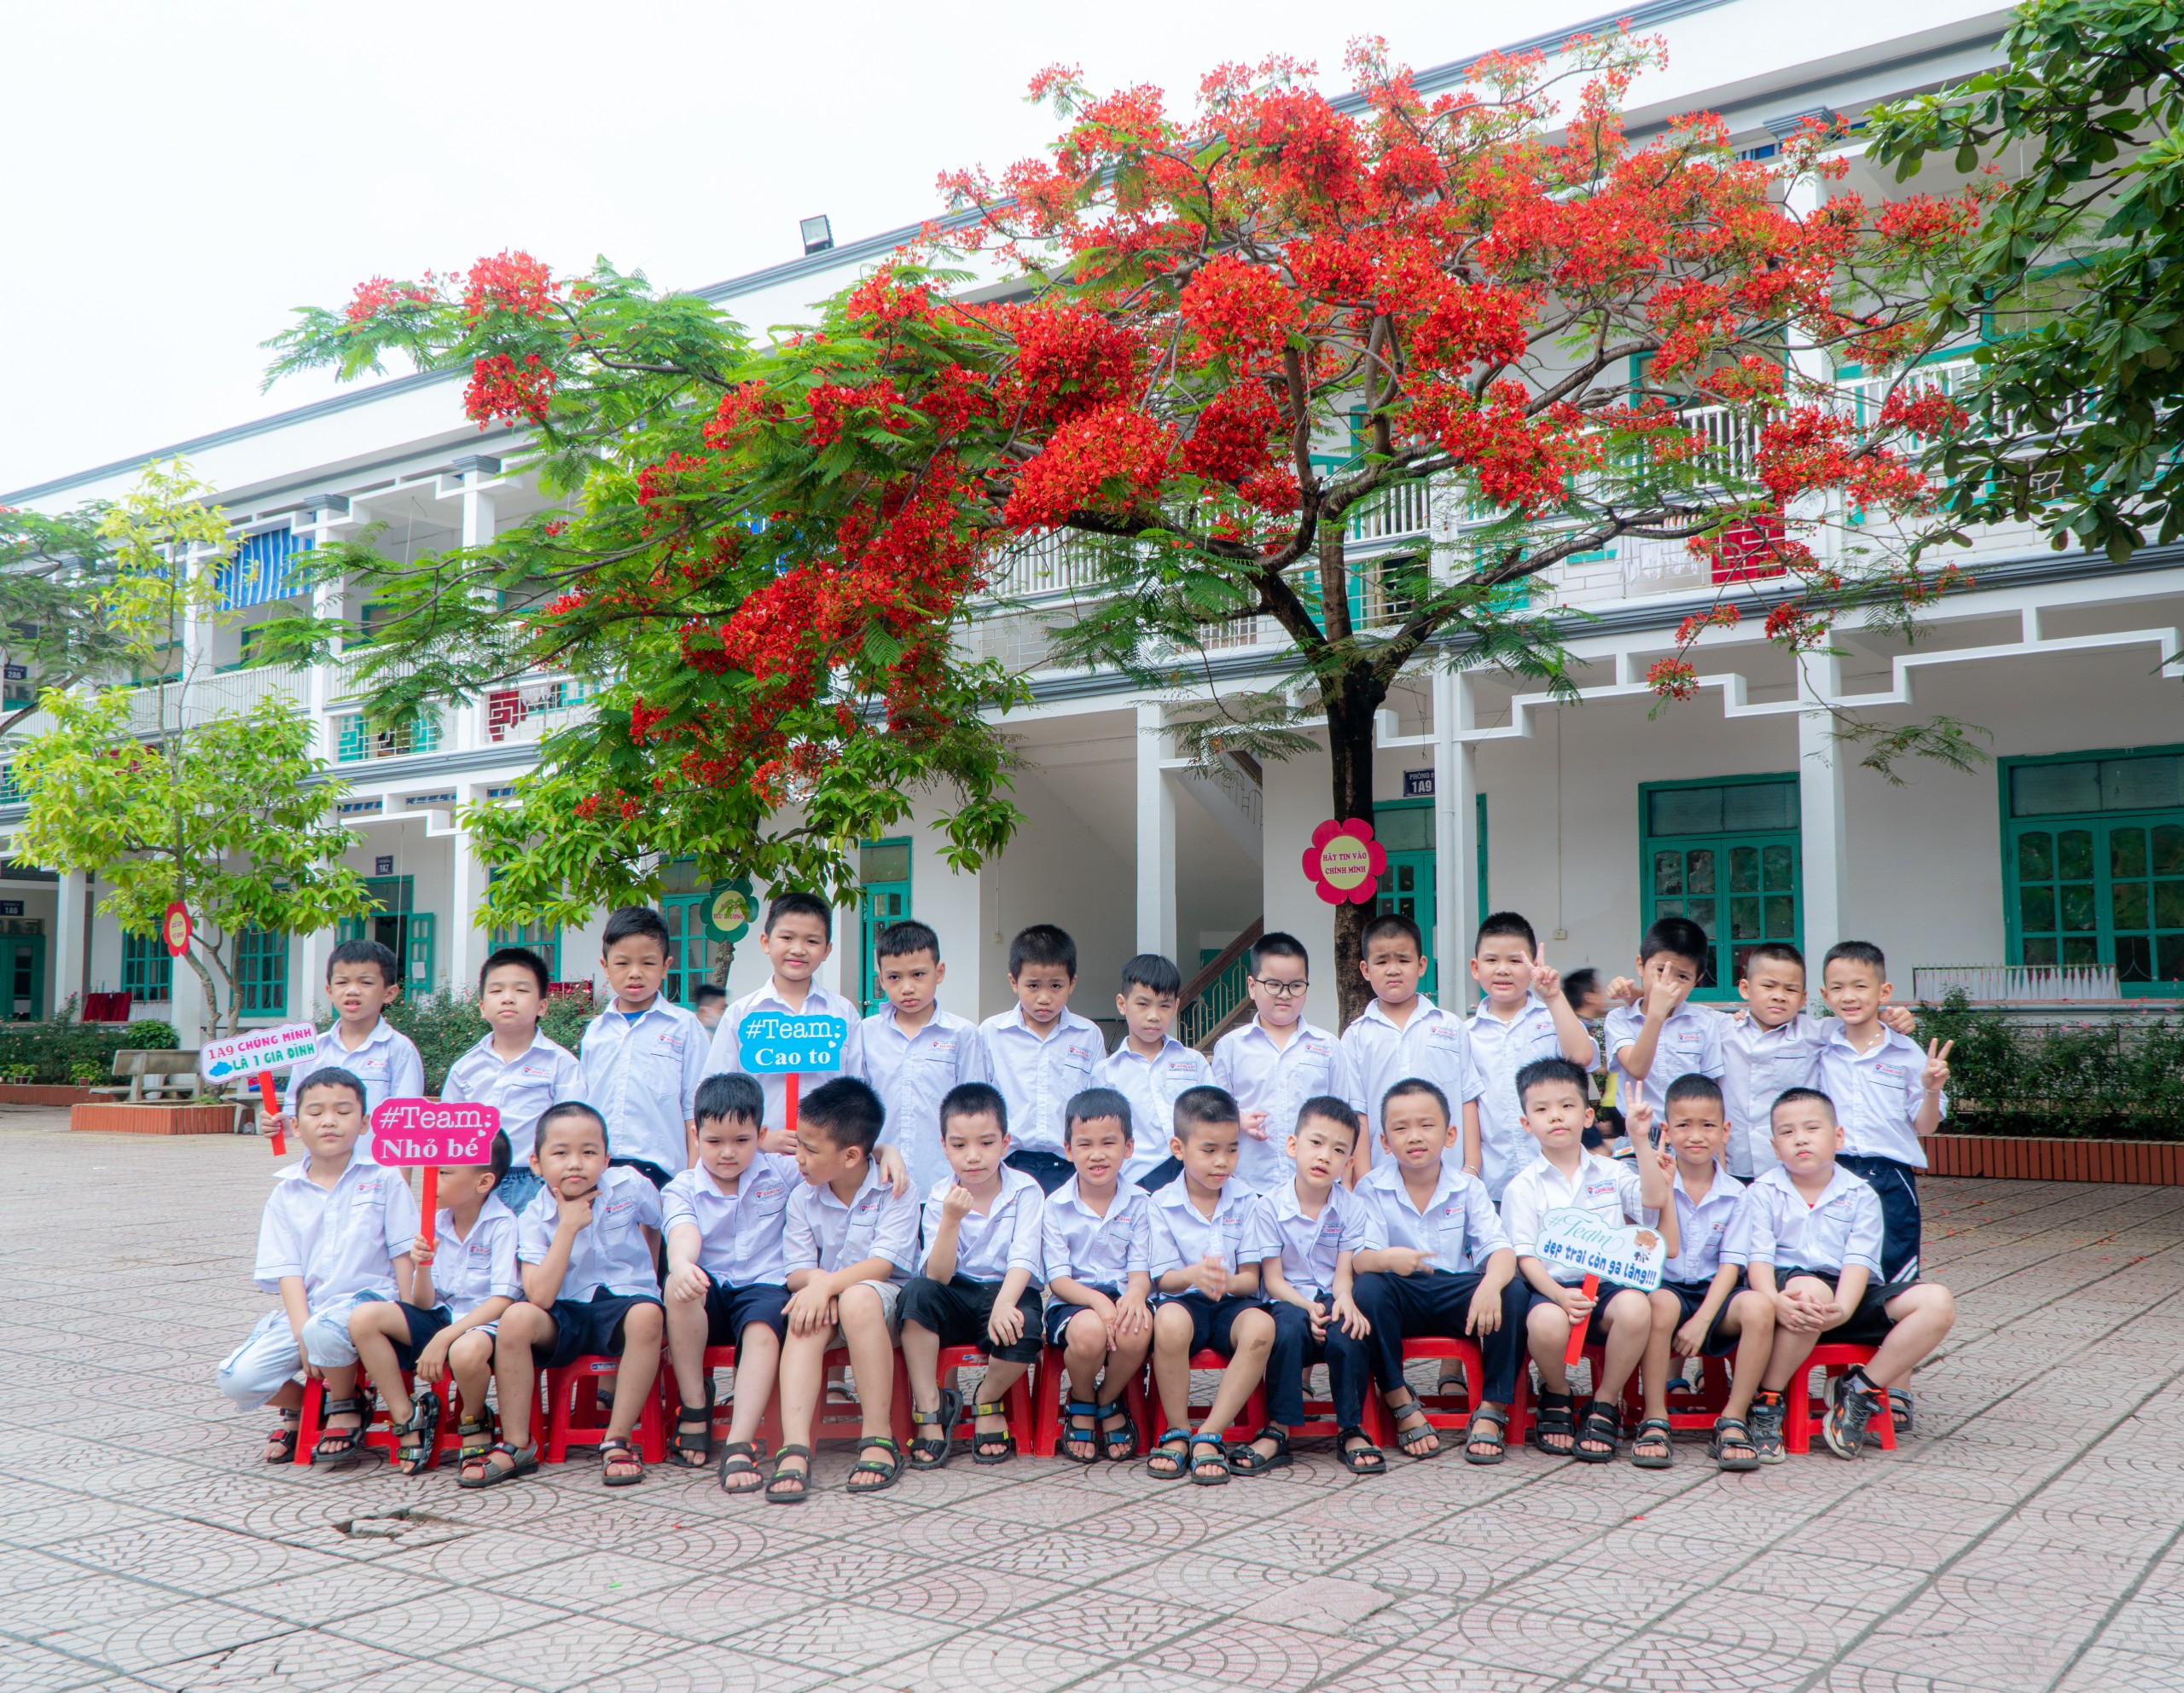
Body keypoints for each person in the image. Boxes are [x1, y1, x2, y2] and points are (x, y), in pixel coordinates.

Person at [1728, 1087, 1957, 1461]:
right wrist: (1771, 1300)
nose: (1800, 1139)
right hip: (1789, 1294)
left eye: (1812, 1128)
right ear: (1774, 1147)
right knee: (1811, 1291)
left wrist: (1844, 1310)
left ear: (1838, 1137)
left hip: (1846, 1297)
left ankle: (1860, 1390)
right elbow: (1759, 1259)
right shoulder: (1762, 1192)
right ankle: (1767, 1399)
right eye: (1787, 1132)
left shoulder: (1861, 1194)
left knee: (1937, 1302)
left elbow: (1857, 1263)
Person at [218, 1067, 421, 1464]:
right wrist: (301, 1332)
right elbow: (288, 1270)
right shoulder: (285, 1193)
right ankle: (305, 1407)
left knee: (322, 1330)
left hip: (368, 1305)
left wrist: (410, 1316)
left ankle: (345, 1403)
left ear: (364, 1123)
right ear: (295, 1125)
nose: (329, 1121)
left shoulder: (385, 1179)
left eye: (343, 1112)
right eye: (315, 1112)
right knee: (238, 1379)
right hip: (310, 1310)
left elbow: (403, 1253)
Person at [462, 1102, 664, 1489]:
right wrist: (568, 1227)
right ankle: (518, 1444)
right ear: (536, 1164)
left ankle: (617, 1439)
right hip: (565, 1312)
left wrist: (650, 1280)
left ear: (606, 1159)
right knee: (517, 1318)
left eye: (588, 1152)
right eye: (560, 1153)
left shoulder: (631, 1185)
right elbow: (539, 1295)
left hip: (624, 1305)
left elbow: (657, 1223)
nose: (575, 1164)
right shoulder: (532, 1216)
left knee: (648, 1314)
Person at [1351, 1077, 1529, 1466]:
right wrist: (1388, 1259)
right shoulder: (1371, 1187)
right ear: (1384, 1142)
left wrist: (1490, 1285)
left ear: (1450, 1135)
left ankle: (1492, 1407)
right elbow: (1360, 1259)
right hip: (1403, 1294)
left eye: (1426, 1125)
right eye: (1401, 1128)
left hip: (1456, 1297)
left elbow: (1501, 1250)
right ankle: (1399, 1399)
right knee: (1367, 1289)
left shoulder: (1467, 1187)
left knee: (1513, 1292)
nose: (1415, 1136)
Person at [1500, 1056, 1670, 1461]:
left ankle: (1605, 1402)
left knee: (1636, 1308)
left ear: (1588, 1115)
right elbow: (1525, 1257)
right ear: (1526, 1123)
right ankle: (1557, 1392)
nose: (1556, 1116)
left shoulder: (1611, 1172)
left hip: (1608, 1288)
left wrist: (1640, 1141)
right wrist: (1559, 1295)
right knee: (1544, 1322)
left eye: (1567, 1105)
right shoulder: (1522, 1187)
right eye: (1542, 1109)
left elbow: (1653, 1200)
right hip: (1552, 1288)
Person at [1816, 939, 1949, 1433]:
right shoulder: (1820, 1044)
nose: (1849, 996)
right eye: (1837, 988)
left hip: (1890, 1179)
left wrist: (1932, 1089)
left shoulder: (1908, 1051)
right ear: (1824, 995)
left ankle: (1895, 1388)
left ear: (1883, 991)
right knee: (1835, 1273)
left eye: (1860, 986)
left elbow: (1925, 1126)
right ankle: (1837, 1376)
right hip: (1832, 1175)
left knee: (1896, 1279)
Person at [769, 1076, 919, 1502]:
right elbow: (797, 1271)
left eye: (810, 1150)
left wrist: (829, 1287)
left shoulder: (895, 1189)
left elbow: (882, 1265)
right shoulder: (803, 1197)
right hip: (828, 1296)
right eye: (799, 1145)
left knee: (858, 1297)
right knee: (805, 1315)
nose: (799, 1158)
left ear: (851, 1155)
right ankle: (795, 1447)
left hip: (882, 1304)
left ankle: (878, 1436)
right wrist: (819, 1287)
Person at [346, 1128, 520, 1475]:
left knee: (465, 1351)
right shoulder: (435, 1221)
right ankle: (407, 1415)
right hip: (442, 1315)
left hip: (484, 1323)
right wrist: (422, 1266)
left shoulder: (503, 1224)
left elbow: (503, 1299)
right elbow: (423, 1303)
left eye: (443, 1172)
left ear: (484, 1182)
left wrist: (444, 1337)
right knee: (364, 1318)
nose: (429, 1180)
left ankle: (474, 1416)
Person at [660, 1072, 796, 1492]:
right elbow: (683, 1233)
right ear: (695, 1135)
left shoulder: (783, 1172)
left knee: (762, 1327)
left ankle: (740, 1440)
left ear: (762, 1135)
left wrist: (884, 1151)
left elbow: (838, 1156)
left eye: (742, 1140)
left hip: (764, 1285)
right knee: (678, 1287)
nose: (728, 1152)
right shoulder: (682, 1188)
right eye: (714, 1141)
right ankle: (695, 1407)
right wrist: (682, 1265)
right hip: (710, 1288)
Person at [1632, 1075, 1775, 1473]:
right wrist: (1663, 1190)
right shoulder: (1654, 1184)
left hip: (1716, 1295)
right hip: (1666, 1288)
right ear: (1666, 1131)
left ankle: (1733, 1417)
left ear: (1725, 1131)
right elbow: (1652, 1250)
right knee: (1660, 1303)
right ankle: (1655, 1416)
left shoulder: (1738, 1194)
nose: (1696, 1136)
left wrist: (1702, 1321)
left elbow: (1732, 1265)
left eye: (1708, 1125)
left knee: (1760, 1307)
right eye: (1683, 1125)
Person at [900, 1081, 1046, 1468]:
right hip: (957, 1292)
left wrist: (1004, 1304)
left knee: (1026, 1325)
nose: (973, 1156)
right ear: (944, 1146)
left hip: (1008, 1289)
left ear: (1005, 1143)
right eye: (959, 1145)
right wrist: (951, 1219)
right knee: (915, 1296)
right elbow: (938, 1276)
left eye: (986, 1143)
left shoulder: (1026, 1191)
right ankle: (931, 1406)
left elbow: (1024, 1257)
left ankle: (987, 1397)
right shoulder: (939, 1196)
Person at [1237, 1097, 1378, 1476]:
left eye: (1338, 1150)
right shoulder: (1269, 1207)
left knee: (1350, 1331)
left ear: (1349, 1162)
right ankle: (1278, 1430)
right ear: (1292, 1145)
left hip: (1332, 1295)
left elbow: (1344, 1275)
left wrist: (1343, 1302)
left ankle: (1351, 1428)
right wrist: (1307, 1307)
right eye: (1316, 1143)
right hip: (1288, 1297)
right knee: (1283, 1331)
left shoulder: (1352, 1208)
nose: (1324, 1156)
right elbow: (1272, 1281)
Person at [1143, 1085, 1274, 1486]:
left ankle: (1210, 1434)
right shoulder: (1160, 1203)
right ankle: (1179, 1430)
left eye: (1232, 1150)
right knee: (1168, 1321)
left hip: (1232, 1303)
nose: (1222, 1162)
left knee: (1262, 1327)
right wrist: (1194, 1276)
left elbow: (1251, 1279)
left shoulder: (1247, 1200)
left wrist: (1226, 1282)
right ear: (1178, 1148)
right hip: (1184, 1302)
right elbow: (1163, 1279)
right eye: (1209, 1150)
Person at [1042, 1087, 1153, 1463]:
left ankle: (1107, 1397)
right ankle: (1082, 1397)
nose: (1097, 1154)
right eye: (1085, 1144)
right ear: (1068, 1149)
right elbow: (1058, 1280)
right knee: (1089, 1331)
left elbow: (1140, 1271)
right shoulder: (1056, 1205)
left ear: (1128, 1147)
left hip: (1124, 1293)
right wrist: (1098, 1303)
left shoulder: (1141, 1203)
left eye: (1109, 1143)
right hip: (1074, 1298)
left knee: (1137, 1326)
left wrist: (1135, 1295)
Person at [709, 892, 868, 1144]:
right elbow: (716, 1095)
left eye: (812, 941)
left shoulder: (843, 1013)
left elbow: (856, 1089)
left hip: (826, 1156)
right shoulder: (741, 1015)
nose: (798, 949)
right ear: (766, 942)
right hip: (757, 1157)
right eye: (787, 938)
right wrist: (760, 1139)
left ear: (827, 950)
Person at [1465, 912, 1600, 1201]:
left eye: (1515, 961)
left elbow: (1582, 1058)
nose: (1503, 970)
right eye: (1492, 960)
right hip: (1495, 1182)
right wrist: (1472, 1168)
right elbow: (1469, 1105)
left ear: (1534, 965)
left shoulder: (1552, 1018)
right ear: (1476, 968)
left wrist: (1553, 997)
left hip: (1558, 1178)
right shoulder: (1467, 1035)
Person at [439, 946, 582, 1214]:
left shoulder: (561, 1064)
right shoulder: (465, 1068)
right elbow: (448, 1130)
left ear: (542, 1006)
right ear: (482, 1007)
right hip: (474, 1179)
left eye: (521, 990)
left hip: (534, 1180)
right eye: (496, 991)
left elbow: (572, 1129)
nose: (508, 999)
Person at [1341, 912, 1484, 1178]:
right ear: (1365, 970)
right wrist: (1363, 1178)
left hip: (1451, 1173)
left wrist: (1472, 1166)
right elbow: (1357, 1112)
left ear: (1421, 965)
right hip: (1381, 1177)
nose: (1393, 969)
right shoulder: (1356, 1036)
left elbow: (1468, 1097)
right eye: (1381, 961)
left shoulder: (1451, 1027)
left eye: (1403, 960)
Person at [1208, 931, 1353, 1193]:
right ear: (1252, 986)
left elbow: (1343, 1115)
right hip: (1249, 1184)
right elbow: (1215, 1112)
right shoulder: (1230, 1047)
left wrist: (1346, 1179)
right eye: (1273, 984)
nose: (1285, 994)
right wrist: (1238, 1120)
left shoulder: (1328, 1046)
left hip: (1314, 1184)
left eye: (1296, 986)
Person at [859, 918, 986, 1199]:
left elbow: (974, 1109)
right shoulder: (865, 1034)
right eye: (894, 977)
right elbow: (856, 1108)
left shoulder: (962, 1034)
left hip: (943, 1182)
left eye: (918, 974)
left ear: (939, 972)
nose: (907, 988)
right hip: (879, 1182)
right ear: (881, 979)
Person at [578, 907, 708, 1184]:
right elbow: (585, 1102)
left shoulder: (684, 1027)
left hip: (663, 1173)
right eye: (623, 963)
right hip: (601, 1170)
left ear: (666, 966)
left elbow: (695, 1109)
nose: (635, 973)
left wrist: (691, 1179)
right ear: (605, 966)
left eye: (648, 963)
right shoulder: (596, 1032)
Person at [263, 940, 424, 1161]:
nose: (352, 990)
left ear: (389, 993)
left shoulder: (399, 1050)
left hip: (376, 1174)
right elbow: (297, 1117)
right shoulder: (313, 1049)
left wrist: (399, 1180)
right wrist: (280, 1126)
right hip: (321, 1173)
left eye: (366, 982)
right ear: (329, 991)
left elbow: (407, 1127)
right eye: (342, 982)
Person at [979, 925, 1103, 1193]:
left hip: (1069, 1166)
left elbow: (1098, 1101)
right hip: (1007, 1164)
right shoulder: (992, 1033)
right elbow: (979, 1099)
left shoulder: (1088, 1035)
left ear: (1072, 983)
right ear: (1014, 982)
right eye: (1033, 986)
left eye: (1056, 985)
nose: (1044, 998)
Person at [1096, 954, 1210, 1188]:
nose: (1154, 1016)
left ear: (1176, 1006)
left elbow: (1212, 1117)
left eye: (1164, 1005)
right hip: (1135, 1178)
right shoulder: (1106, 1073)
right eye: (1143, 1004)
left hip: (1190, 1175)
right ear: (1122, 1004)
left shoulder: (1194, 1062)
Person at [1602, 915, 1726, 1127]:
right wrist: (1656, 1014)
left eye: (1683, 977)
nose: (1669, 983)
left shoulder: (1704, 1023)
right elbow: (1637, 1069)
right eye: (1661, 971)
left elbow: (1711, 1089)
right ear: (1640, 965)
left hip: (1689, 1134)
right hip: (1639, 1134)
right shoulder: (1620, 1019)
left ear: (1697, 980)